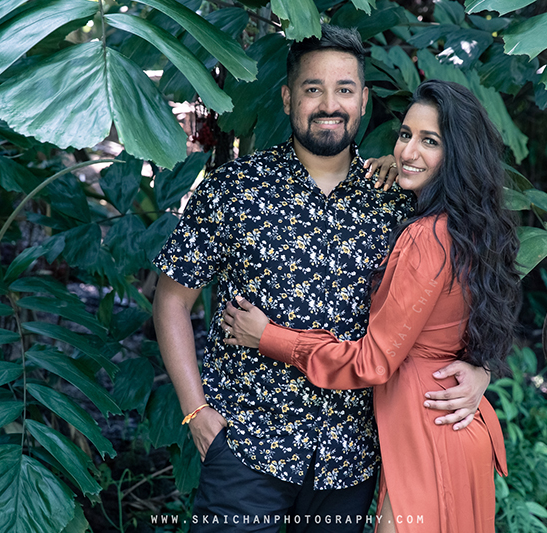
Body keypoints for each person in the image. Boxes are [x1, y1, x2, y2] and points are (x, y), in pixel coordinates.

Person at [153, 26, 491, 532]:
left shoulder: (401, 200)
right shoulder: (234, 189)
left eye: (344, 90)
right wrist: (194, 411)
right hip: (247, 447)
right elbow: (171, 300)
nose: (329, 104)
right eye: (313, 89)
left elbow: (468, 290)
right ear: (289, 98)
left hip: (349, 461)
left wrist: (480, 369)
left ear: (364, 101)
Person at [222, 80, 521, 533]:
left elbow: (374, 361)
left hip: (427, 438)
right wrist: (481, 370)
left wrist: (269, 337)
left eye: (430, 141)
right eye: (405, 135)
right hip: (454, 429)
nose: (409, 151)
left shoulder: (427, 238)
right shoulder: (471, 228)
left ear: (459, 153)